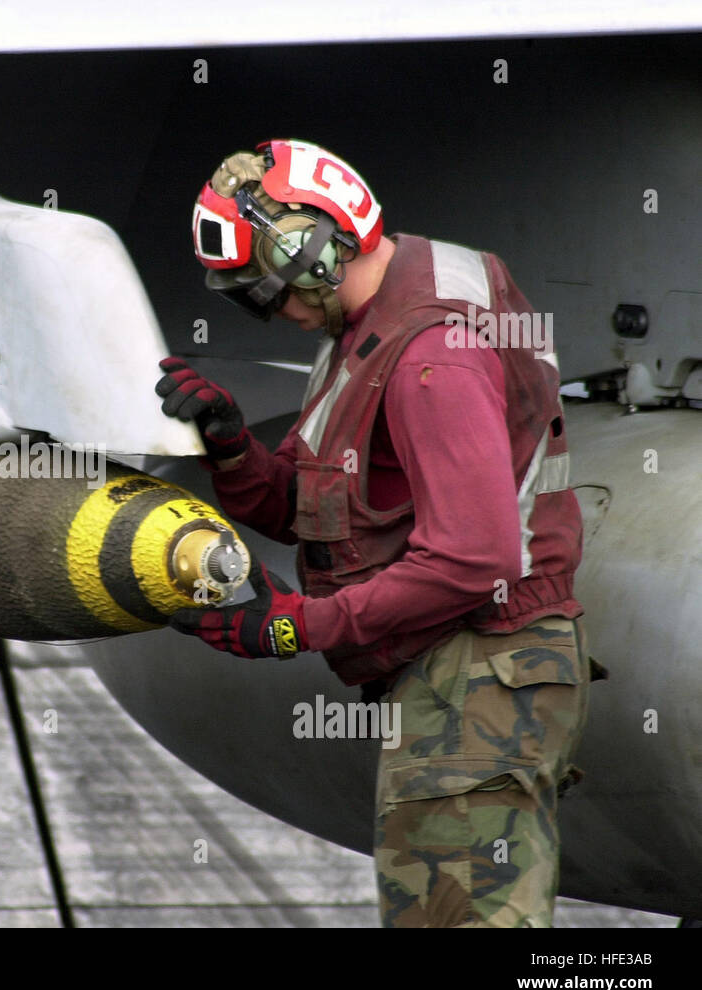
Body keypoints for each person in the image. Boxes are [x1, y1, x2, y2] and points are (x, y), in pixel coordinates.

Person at [157, 139, 590, 928]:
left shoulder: (429, 355)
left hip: (477, 680)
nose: (273, 314)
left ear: (311, 251)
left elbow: (476, 558)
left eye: (264, 293)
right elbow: (324, 502)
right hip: (471, 677)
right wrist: (232, 444)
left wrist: (301, 625)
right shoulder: (383, 309)